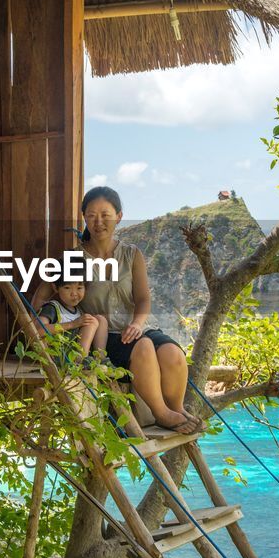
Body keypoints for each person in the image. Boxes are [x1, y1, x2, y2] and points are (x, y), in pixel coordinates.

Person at [71, 186, 202, 435]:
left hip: (136, 327)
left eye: (105, 214)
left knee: (173, 353)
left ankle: (177, 410)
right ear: (84, 218)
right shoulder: (74, 257)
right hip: (104, 334)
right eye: (91, 215)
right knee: (143, 347)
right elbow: (47, 290)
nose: (98, 221)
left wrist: (138, 324)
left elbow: (143, 299)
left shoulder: (131, 254)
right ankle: (160, 413)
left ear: (119, 216)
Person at [37, 277, 107, 360]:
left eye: (79, 288)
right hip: (61, 356)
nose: (74, 293)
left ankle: (101, 359)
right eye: (67, 288)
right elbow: (38, 330)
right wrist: (72, 324)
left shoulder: (78, 310)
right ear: (55, 288)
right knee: (91, 322)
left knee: (100, 319)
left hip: (73, 348)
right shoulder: (52, 307)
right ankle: (80, 360)